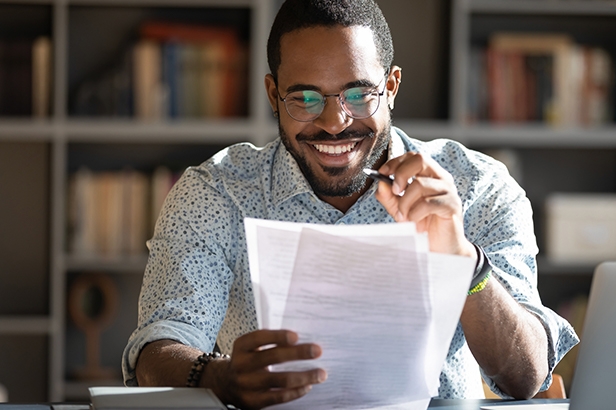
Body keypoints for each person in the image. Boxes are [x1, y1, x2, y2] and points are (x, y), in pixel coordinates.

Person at [123, 0, 578, 408]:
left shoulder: (476, 187)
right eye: (304, 98)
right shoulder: (217, 194)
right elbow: (158, 349)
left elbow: (526, 377)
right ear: (272, 95)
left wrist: (463, 261)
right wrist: (219, 377)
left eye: (359, 94)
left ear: (392, 86)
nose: (335, 123)